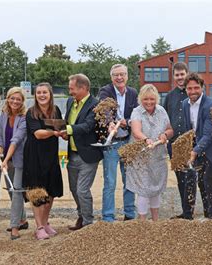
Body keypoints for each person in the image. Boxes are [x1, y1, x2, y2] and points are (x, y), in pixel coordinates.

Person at [184, 73, 212, 219]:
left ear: (202, 88)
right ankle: (208, 215)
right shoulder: (185, 104)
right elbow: (190, 130)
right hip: (201, 149)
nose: (193, 91)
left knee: (210, 181)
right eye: (189, 88)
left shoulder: (210, 105)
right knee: (202, 184)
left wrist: (195, 151)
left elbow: (209, 134)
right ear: (185, 89)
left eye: (196, 88)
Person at [22, 83, 64, 240]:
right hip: (35, 156)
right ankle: (39, 226)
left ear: (50, 94)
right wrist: (55, 132)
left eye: (44, 92)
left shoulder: (55, 111)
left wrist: (64, 133)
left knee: (51, 190)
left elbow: (61, 127)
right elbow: (38, 134)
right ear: (35, 95)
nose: (42, 95)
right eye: (38, 92)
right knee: (38, 192)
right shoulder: (31, 112)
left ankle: (46, 223)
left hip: (51, 155)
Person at [126, 84, 174, 221]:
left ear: (156, 99)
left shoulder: (162, 111)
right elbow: (136, 131)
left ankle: (155, 220)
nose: (149, 102)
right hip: (141, 158)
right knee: (143, 190)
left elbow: (170, 130)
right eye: (145, 99)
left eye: (152, 99)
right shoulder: (136, 111)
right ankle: (142, 221)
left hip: (158, 157)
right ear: (141, 99)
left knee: (155, 188)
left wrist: (165, 134)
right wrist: (146, 139)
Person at [98, 64, 138, 222]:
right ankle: (108, 217)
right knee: (110, 182)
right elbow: (104, 108)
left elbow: (136, 114)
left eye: (122, 74)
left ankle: (129, 214)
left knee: (129, 179)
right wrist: (110, 122)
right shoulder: (106, 91)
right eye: (116, 75)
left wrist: (125, 122)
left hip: (128, 141)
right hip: (112, 144)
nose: (119, 78)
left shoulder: (133, 93)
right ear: (111, 77)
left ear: (127, 76)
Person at [64, 74, 103, 231]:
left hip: (88, 155)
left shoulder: (96, 105)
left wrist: (66, 129)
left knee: (82, 190)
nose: (70, 91)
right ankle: (81, 216)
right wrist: (65, 131)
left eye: (72, 88)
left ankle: (88, 224)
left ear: (84, 88)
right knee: (74, 189)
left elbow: (87, 126)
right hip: (72, 153)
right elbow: (68, 122)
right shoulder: (69, 102)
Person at [0, 87, 28, 240]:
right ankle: (23, 219)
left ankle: (14, 227)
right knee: (11, 190)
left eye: (18, 99)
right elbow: (0, 134)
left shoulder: (25, 118)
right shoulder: (4, 114)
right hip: (6, 157)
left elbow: (17, 139)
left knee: (17, 190)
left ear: (22, 101)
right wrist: (0, 149)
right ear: (7, 98)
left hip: (19, 159)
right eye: (12, 98)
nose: (15, 101)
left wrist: (6, 159)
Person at [163, 62, 196, 220]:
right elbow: (165, 119)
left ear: (187, 73)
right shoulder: (170, 96)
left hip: (191, 143)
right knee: (180, 178)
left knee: (191, 177)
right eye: (177, 75)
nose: (180, 77)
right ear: (173, 76)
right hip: (174, 144)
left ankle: (191, 213)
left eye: (182, 74)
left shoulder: (194, 92)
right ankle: (185, 212)